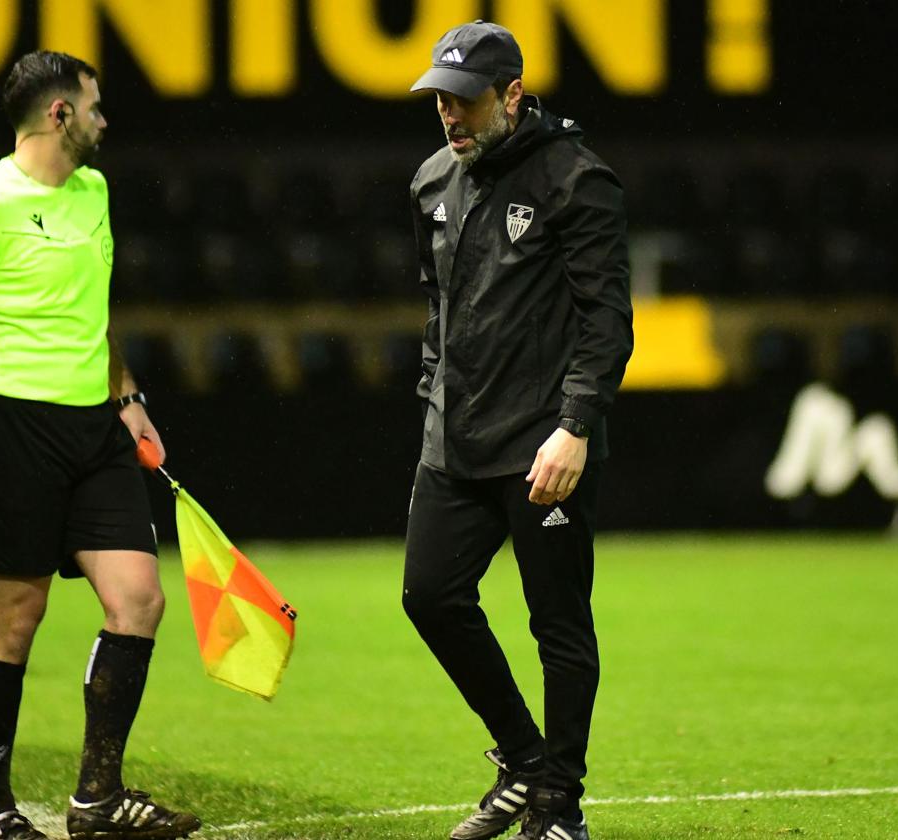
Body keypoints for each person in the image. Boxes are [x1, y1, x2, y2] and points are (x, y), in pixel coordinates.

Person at [0, 51, 200, 840]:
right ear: (59, 115)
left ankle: (96, 800)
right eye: (95, 106)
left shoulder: (95, 193)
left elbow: (92, 312)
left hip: (94, 427)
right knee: (16, 620)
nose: (106, 119)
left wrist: (128, 395)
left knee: (139, 601)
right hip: (11, 428)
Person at [402, 21, 634, 840]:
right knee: (428, 597)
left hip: (545, 445)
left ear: (510, 95)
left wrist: (575, 426)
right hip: (455, 439)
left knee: (558, 625)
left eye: (463, 102)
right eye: (438, 100)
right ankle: (525, 760)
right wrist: (434, 395)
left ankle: (558, 806)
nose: (449, 117)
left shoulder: (577, 180)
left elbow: (608, 324)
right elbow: (440, 310)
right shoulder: (434, 180)